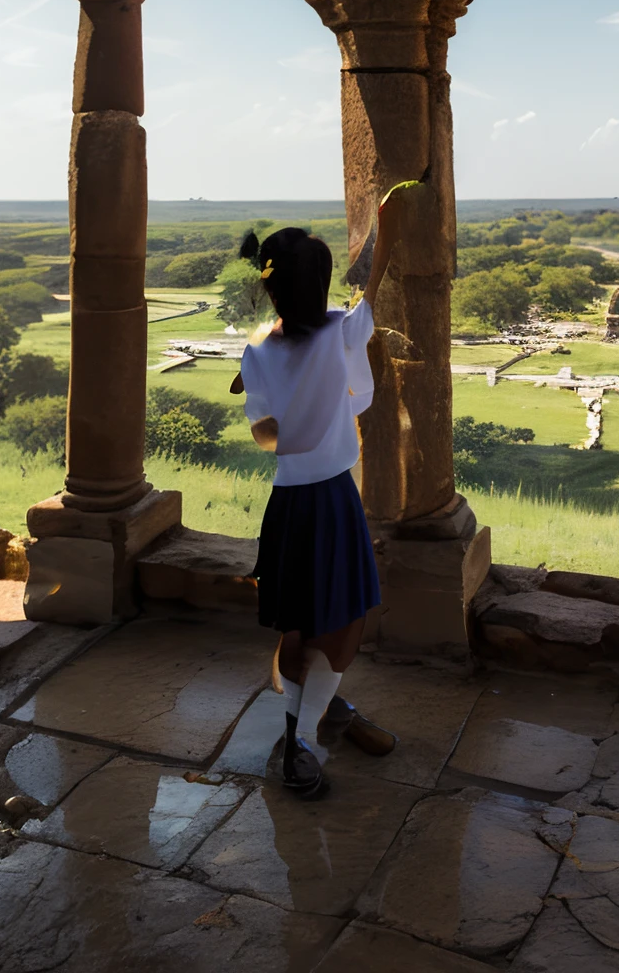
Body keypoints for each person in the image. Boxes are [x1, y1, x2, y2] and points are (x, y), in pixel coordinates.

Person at [233, 184, 417, 798]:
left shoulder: (257, 347)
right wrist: (384, 221)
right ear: (319, 286)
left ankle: (314, 714)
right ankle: (301, 741)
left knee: (296, 626)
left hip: (287, 501)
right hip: (332, 500)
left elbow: (265, 432)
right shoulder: (343, 331)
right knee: (341, 628)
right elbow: (375, 276)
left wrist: (290, 416)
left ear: (271, 287)